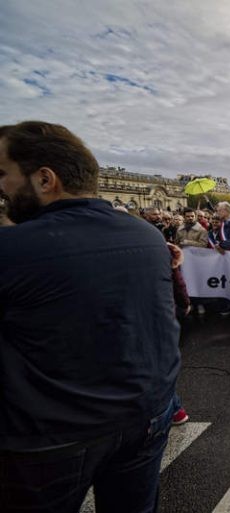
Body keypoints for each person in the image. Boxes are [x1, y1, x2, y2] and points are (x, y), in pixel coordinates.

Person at [0, 121, 180, 512]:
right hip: (146, 414)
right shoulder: (147, 236)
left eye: (4, 174)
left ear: (45, 179)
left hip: (52, 436)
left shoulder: (12, 248)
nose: (2, 187)